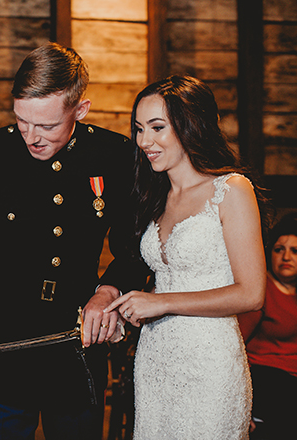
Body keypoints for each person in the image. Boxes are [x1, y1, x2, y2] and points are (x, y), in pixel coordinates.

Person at [0, 42, 149, 439]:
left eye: (48, 126)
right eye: (22, 121)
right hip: (0, 344)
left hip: (75, 347)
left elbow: (137, 243)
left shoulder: (113, 155)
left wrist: (109, 290)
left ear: (80, 110)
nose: (32, 137)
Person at [104, 75, 268, 439]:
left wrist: (160, 303)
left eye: (157, 127)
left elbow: (252, 293)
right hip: (155, 360)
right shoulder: (154, 196)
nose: (144, 141)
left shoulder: (230, 189)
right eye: (139, 129)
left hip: (209, 362)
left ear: (190, 124)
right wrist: (125, 312)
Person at [238, 212, 297, 439]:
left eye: (295, 251)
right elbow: (236, 345)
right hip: (267, 379)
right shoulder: (260, 291)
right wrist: (244, 407)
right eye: (279, 249)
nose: (286, 257)